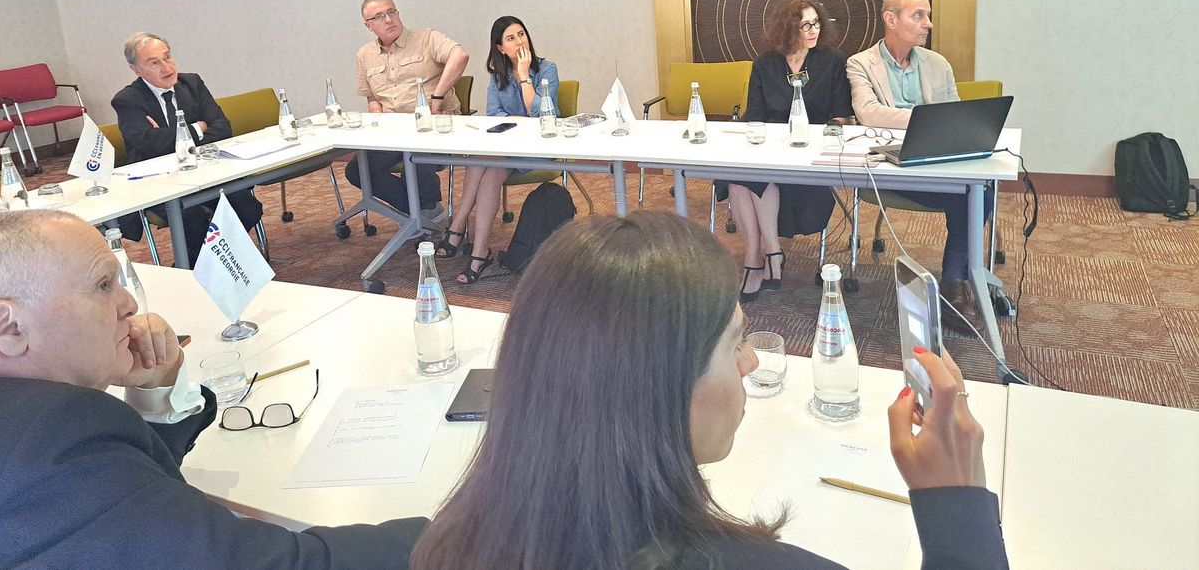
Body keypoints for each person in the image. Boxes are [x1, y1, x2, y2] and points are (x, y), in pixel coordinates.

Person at [411, 211, 1008, 569]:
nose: (750, 363)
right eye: (734, 342)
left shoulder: (438, 544)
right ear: (659, 386)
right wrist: (958, 510)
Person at [0, 210, 426, 569]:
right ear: (10, 327)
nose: (129, 304)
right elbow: (270, 564)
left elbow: (132, 503)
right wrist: (448, 535)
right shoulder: (55, 439)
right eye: (103, 285)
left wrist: (157, 384)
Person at [845, 0, 989, 330]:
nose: (928, 24)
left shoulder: (937, 64)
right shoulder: (860, 63)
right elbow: (868, 113)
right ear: (891, 19)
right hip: (887, 166)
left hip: (934, 159)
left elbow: (953, 115)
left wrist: (933, 123)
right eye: (918, 16)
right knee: (969, 195)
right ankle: (957, 283)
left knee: (980, 190)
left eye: (928, 16)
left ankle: (954, 284)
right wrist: (925, 118)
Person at [720, 0, 851, 301]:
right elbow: (755, 115)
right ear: (787, 28)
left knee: (746, 179)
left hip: (811, 150)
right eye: (805, 25)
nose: (813, 30)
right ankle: (764, 254)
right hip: (771, 146)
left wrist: (824, 132)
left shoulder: (831, 60)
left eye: (816, 23)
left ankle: (760, 260)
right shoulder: (766, 63)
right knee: (738, 177)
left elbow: (842, 113)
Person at [112, 32, 264, 264]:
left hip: (204, 173)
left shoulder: (192, 83)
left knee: (247, 207)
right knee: (191, 216)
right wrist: (198, 127)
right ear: (135, 69)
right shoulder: (127, 100)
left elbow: (223, 128)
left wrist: (169, 137)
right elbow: (150, 144)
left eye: (167, 57)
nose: (167, 67)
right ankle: (193, 267)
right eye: (154, 63)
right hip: (158, 183)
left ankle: (209, 265)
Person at [436, 16, 559, 284]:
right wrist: (515, 120)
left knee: (487, 164)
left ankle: (458, 230)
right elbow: (494, 114)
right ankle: (478, 249)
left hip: (538, 147)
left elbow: (541, 114)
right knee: (483, 161)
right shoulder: (497, 75)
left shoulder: (547, 69)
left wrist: (524, 77)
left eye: (522, 34)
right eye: (511, 38)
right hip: (506, 146)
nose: (519, 42)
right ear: (501, 48)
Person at [347, 0, 469, 220]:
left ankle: (426, 210)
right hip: (394, 132)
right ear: (369, 26)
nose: (388, 19)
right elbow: (372, 97)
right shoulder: (364, 55)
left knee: (415, 154)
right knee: (357, 170)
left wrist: (437, 97)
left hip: (433, 126)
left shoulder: (427, 38)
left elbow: (460, 56)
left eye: (391, 12)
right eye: (379, 16)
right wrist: (377, 118)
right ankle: (419, 211)